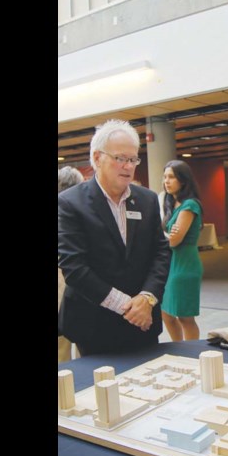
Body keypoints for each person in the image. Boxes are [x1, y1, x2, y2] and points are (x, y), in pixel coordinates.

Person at [58, 119, 171, 355]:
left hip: (144, 321)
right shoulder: (70, 203)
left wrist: (147, 298)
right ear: (98, 158)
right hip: (94, 325)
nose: (128, 166)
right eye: (120, 158)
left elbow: (161, 252)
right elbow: (74, 267)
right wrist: (129, 307)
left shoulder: (147, 200)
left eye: (133, 159)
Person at [160, 160, 204, 341]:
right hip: (171, 265)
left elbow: (174, 241)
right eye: (164, 177)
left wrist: (162, 235)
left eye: (171, 177)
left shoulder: (190, 205)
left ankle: (191, 353)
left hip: (184, 265)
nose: (166, 181)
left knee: (185, 317)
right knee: (166, 314)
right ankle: (178, 348)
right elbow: (169, 237)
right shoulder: (172, 204)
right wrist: (165, 234)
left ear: (183, 180)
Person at [58, 166, 84, 363]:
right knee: (81, 341)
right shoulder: (78, 211)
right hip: (74, 284)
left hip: (67, 283)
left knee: (63, 344)